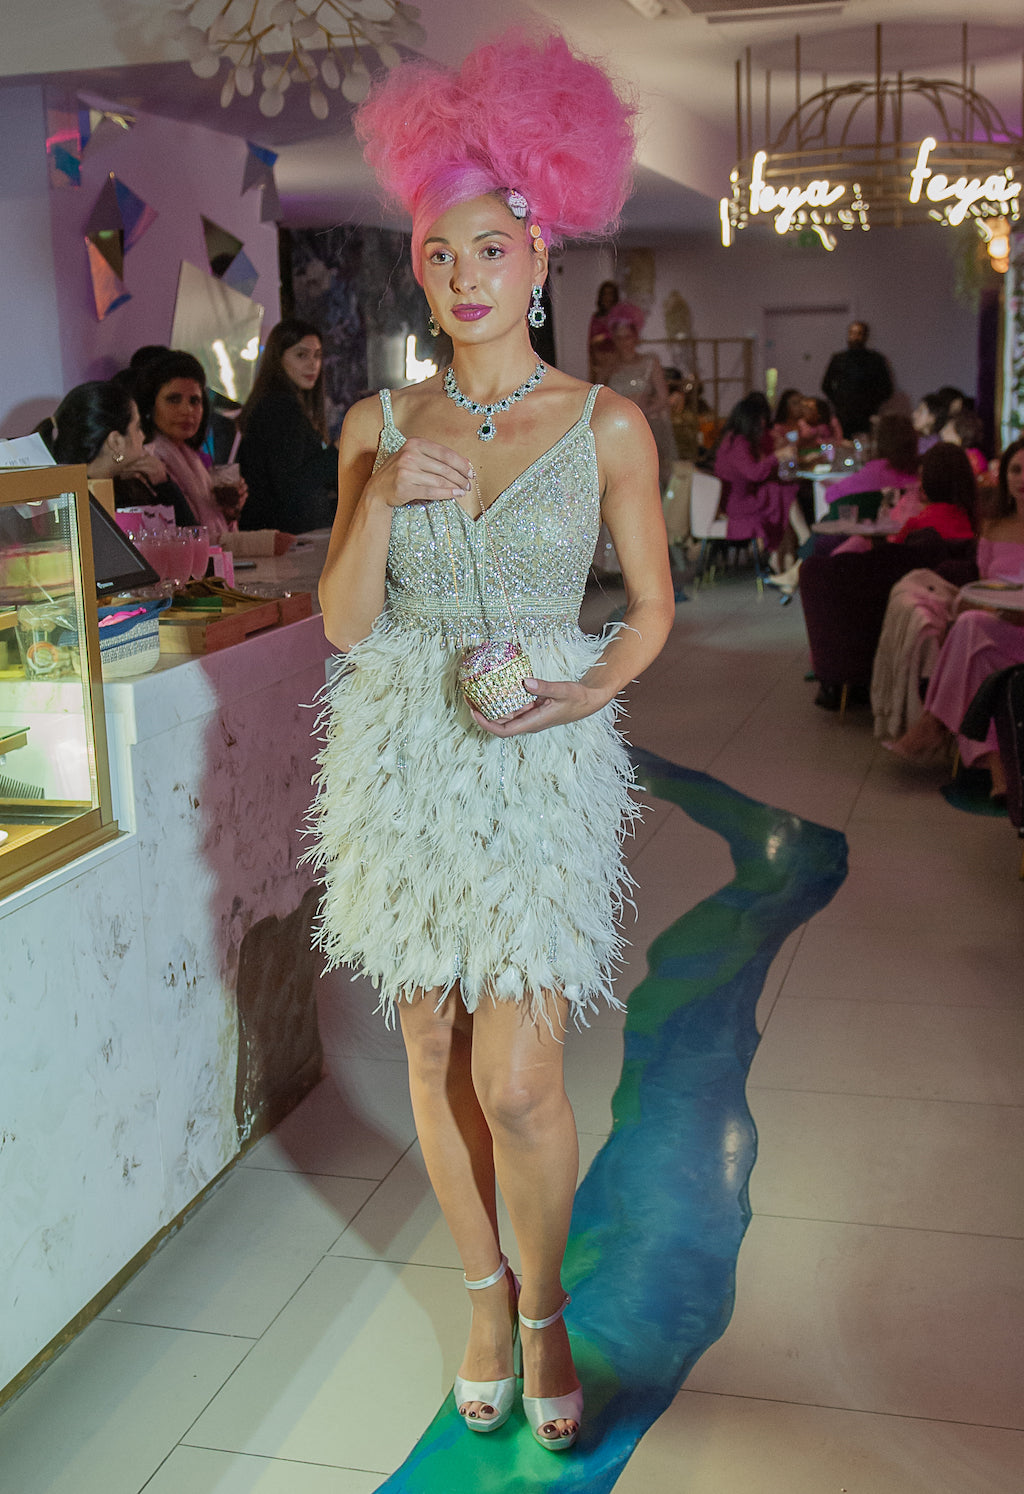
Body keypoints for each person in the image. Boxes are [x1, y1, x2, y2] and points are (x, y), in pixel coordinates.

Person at [307, 31, 673, 1455]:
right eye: (436, 253)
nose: (461, 275)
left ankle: (544, 1310)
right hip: (402, 754)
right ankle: (480, 1295)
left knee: (520, 1074)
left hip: (538, 760)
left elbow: (645, 616)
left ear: (537, 255)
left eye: (487, 248)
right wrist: (382, 490)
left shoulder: (608, 424)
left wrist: (586, 696)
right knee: (429, 1040)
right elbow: (344, 621)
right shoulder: (373, 422)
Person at [886, 437, 1024, 790]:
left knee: (969, 628)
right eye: (1016, 470)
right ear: (1005, 477)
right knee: (974, 643)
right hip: (998, 629)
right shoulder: (992, 528)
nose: (1022, 478)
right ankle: (999, 774)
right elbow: (981, 587)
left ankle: (933, 723)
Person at [134, 352, 292, 556]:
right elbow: (185, 539)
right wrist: (267, 543)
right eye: (174, 399)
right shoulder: (153, 460)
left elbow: (211, 531)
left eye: (195, 401)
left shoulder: (190, 455)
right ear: (150, 406)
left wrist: (227, 513)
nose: (187, 410)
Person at [237, 318, 338, 533]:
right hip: (281, 539)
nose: (313, 364)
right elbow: (291, 484)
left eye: (317, 355)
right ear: (278, 358)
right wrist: (337, 451)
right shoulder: (279, 407)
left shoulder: (279, 404)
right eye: (301, 355)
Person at [714, 392, 809, 569]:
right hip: (738, 504)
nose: (764, 424)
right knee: (783, 493)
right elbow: (755, 473)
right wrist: (777, 456)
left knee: (781, 494)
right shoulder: (738, 443)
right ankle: (804, 542)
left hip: (742, 497)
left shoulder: (735, 439)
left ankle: (786, 561)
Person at [606, 309, 676, 489]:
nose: (624, 343)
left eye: (628, 337)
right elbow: (600, 402)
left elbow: (663, 398)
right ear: (613, 338)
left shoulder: (650, 362)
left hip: (647, 428)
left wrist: (640, 413)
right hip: (619, 432)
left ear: (635, 337)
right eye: (619, 337)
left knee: (650, 481)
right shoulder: (608, 367)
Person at [36, 380, 146, 481]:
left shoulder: (71, 486)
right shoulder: (81, 497)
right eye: (138, 427)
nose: (143, 436)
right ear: (115, 441)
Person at [823, 412, 920, 516]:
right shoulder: (920, 474)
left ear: (879, 442)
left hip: (865, 529)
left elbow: (831, 495)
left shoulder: (874, 472)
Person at [821, 320, 893, 438]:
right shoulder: (838, 359)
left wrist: (872, 404)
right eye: (852, 333)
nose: (855, 337)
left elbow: (887, 388)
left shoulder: (875, 359)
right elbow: (826, 385)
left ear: (865, 336)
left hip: (867, 415)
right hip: (844, 415)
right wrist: (839, 402)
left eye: (859, 333)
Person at [587, 279, 619, 381]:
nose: (607, 297)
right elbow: (590, 344)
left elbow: (621, 337)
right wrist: (592, 368)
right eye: (605, 294)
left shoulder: (619, 316)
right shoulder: (596, 317)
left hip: (615, 362)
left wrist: (604, 337)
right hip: (599, 364)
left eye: (610, 294)